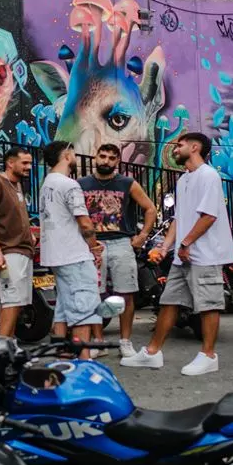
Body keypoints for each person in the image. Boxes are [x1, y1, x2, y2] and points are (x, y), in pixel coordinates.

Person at [122, 132, 233, 376]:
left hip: (206, 255)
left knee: (208, 305)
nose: (174, 149)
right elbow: (179, 218)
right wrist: (166, 247)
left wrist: (185, 243)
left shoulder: (209, 176)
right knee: (169, 301)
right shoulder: (184, 180)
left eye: (179, 145)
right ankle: (152, 353)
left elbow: (209, 216)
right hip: (183, 255)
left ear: (194, 147)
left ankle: (208, 356)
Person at [80, 144, 157, 357]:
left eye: (112, 158)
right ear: (95, 157)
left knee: (126, 294)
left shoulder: (127, 183)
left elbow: (150, 208)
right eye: (103, 156)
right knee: (94, 294)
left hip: (122, 243)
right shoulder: (81, 184)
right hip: (93, 245)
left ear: (117, 161)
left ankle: (125, 342)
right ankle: (98, 342)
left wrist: (143, 236)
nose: (106, 161)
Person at [38, 141, 104, 359]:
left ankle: (62, 352)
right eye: (74, 153)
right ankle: (83, 357)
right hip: (73, 254)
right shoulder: (69, 185)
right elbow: (85, 223)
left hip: (56, 254)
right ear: (66, 155)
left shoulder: (47, 183)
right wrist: (94, 247)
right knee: (84, 307)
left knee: (64, 304)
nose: (75, 157)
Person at [0, 147, 35, 338]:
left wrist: (29, 234)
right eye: (24, 163)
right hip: (8, 252)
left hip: (24, 250)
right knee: (11, 301)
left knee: (17, 302)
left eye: (30, 163)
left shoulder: (17, 185)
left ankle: (8, 345)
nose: (29, 167)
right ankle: (2, 347)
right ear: (10, 163)